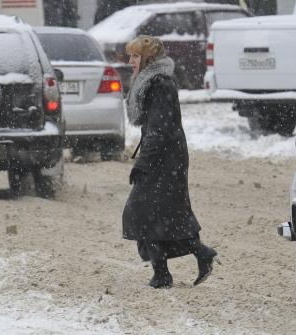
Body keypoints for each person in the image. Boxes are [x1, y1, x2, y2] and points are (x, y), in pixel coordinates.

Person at [122, 35, 219, 289]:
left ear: (148, 59)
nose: (130, 61)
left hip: (166, 160)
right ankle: (183, 262)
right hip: (163, 156)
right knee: (159, 216)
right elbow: (155, 129)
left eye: (134, 56)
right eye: (130, 56)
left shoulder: (160, 84)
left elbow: (159, 129)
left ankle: (167, 271)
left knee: (144, 213)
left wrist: (143, 162)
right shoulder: (150, 82)